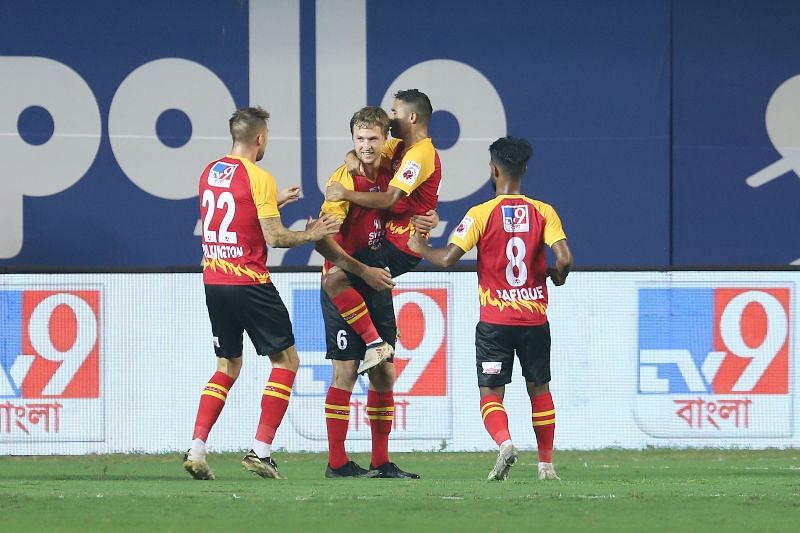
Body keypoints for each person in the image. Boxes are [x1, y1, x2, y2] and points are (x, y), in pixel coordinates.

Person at [183, 106, 340, 481]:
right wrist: (313, 234)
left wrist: (274, 203)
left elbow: (233, 214)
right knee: (286, 362)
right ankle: (261, 451)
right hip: (249, 282)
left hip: (214, 281)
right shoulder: (259, 177)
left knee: (227, 366)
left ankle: (197, 448)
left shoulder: (209, 172)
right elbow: (276, 238)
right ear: (260, 138)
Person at [408, 136, 572, 482]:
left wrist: (420, 246)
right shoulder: (545, 211)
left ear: (493, 169)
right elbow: (565, 259)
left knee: (491, 394)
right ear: (524, 169)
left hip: (495, 323)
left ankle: (505, 443)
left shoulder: (480, 214)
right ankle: (546, 466)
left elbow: (449, 258)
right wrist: (556, 275)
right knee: (539, 388)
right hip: (534, 320)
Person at [315, 106, 419, 479]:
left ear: (384, 139)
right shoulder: (340, 182)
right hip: (347, 275)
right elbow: (323, 244)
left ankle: (380, 460)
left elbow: (407, 199)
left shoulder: (392, 169)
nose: (366, 146)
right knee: (344, 372)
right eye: (359, 140)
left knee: (386, 376)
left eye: (373, 138)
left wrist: (426, 218)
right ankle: (337, 463)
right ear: (352, 141)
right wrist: (362, 271)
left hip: (373, 275)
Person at [324, 89, 441, 372]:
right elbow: (365, 149)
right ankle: (380, 335)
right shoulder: (399, 148)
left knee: (334, 281)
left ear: (411, 117)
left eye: (395, 112)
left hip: (403, 245)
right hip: (388, 241)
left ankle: (376, 343)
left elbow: (389, 199)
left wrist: (345, 194)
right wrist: (352, 157)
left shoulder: (420, 154)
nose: (391, 118)